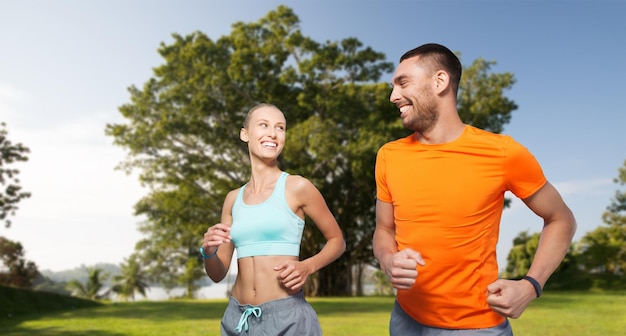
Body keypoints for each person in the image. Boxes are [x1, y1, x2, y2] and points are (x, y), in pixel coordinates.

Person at [373, 43, 577, 335]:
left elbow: (562, 219)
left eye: (402, 83)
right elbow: (383, 229)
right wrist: (387, 259)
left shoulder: (504, 153)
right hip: (405, 320)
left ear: (440, 82)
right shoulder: (388, 156)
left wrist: (531, 285)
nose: (393, 96)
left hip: (477, 327)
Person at [201, 103, 346, 336]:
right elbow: (217, 273)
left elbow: (337, 240)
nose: (273, 133)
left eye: (280, 127)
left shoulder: (298, 187)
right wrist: (208, 251)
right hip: (237, 320)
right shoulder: (232, 199)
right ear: (245, 134)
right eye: (264, 125)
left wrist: (307, 267)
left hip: (287, 318)